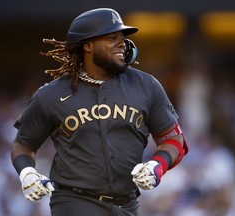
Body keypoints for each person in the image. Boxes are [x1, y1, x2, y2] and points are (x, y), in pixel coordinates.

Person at [11, 8, 189, 216]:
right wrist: (27, 173)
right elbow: (23, 145)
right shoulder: (51, 95)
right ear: (88, 45)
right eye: (111, 38)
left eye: (122, 38)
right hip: (73, 202)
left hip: (127, 205)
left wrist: (157, 166)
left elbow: (174, 140)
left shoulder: (146, 86)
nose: (121, 44)